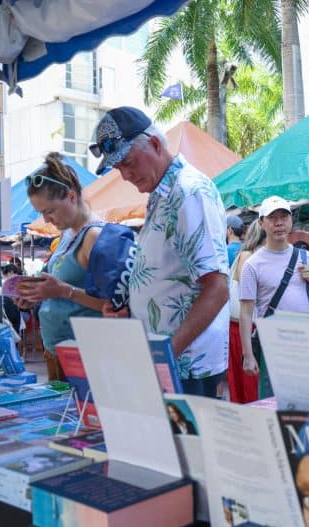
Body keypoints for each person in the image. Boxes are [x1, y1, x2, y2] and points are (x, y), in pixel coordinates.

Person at [90, 107, 230, 398]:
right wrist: (128, 309)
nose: (125, 175)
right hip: (168, 358)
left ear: (155, 144)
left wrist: (166, 356)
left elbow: (216, 288)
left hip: (186, 364)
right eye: (118, 169)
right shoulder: (161, 192)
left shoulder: (189, 193)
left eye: (128, 162)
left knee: (186, 444)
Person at [17, 152, 112, 382]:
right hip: (58, 351)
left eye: (50, 211)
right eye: (41, 213)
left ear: (71, 197)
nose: (47, 219)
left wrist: (62, 291)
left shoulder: (95, 237)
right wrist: (35, 294)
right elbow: (57, 285)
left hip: (85, 356)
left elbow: (112, 306)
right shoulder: (67, 233)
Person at [238, 196, 309, 398]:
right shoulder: (253, 265)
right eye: (272, 218)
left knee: (308, 403)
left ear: (291, 221)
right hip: (273, 345)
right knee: (274, 405)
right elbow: (246, 313)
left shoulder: (306, 257)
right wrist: (248, 354)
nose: (279, 223)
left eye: (284, 216)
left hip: (307, 344)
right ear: (261, 223)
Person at [227, 220, 265, 403]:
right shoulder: (247, 256)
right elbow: (249, 291)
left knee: (247, 383)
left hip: (246, 327)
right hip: (241, 328)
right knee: (246, 384)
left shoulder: (248, 255)